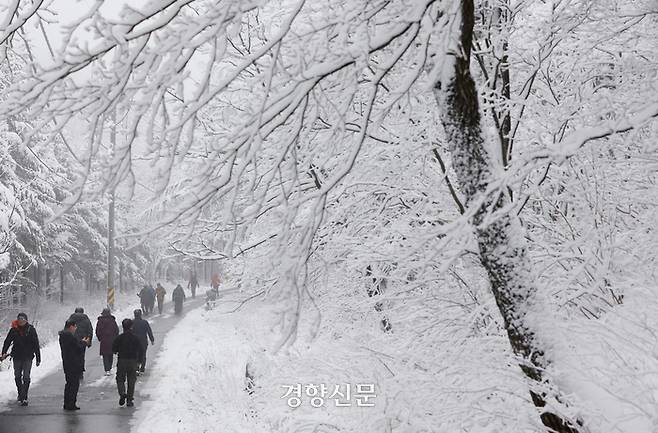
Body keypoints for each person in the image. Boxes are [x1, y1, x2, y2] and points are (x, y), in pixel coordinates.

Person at [1, 312, 41, 406]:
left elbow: (36, 344)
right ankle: (20, 393)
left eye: (23, 319)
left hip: (28, 356)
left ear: (26, 320)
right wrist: (3, 352)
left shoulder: (31, 329)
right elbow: (7, 341)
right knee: (17, 376)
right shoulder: (13, 330)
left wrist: (38, 358)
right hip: (17, 356)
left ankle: (24, 396)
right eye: (19, 319)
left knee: (26, 376)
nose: (21, 321)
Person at [59, 319, 90, 410]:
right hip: (73, 363)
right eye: (75, 326)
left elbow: (73, 346)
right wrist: (84, 342)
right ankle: (71, 403)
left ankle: (67, 402)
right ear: (71, 326)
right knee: (74, 384)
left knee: (69, 384)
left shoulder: (63, 336)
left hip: (67, 362)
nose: (76, 329)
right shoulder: (69, 336)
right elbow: (77, 348)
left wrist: (80, 342)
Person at [112, 318, 143, 407]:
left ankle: (122, 393)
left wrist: (116, 351)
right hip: (133, 361)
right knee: (131, 380)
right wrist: (139, 361)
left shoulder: (119, 338)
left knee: (120, 379)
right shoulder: (135, 338)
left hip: (122, 361)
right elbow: (141, 350)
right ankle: (129, 400)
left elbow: (114, 348)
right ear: (131, 327)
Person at [68, 307, 93, 378]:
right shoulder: (86, 319)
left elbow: (66, 331)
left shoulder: (70, 319)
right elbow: (90, 330)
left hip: (72, 341)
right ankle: (80, 372)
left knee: (73, 356)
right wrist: (89, 341)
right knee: (81, 356)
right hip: (83, 341)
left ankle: (74, 371)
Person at [95, 308, 119, 375]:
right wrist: (116, 338)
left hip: (104, 340)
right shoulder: (112, 320)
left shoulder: (100, 321)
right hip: (112, 340)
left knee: (105, 355)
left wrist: (100, 338)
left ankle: (107, 369)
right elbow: (116, 330)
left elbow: (97, 331)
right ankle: (110, 368)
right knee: (110, 354)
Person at [132, 309, 154, 374]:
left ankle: (136, 368)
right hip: (143, 341)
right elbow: (149, 331)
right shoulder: (144, 322)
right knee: (143, 355)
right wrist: (152, 339)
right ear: (140, 315)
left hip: (134, 342)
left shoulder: (131, 323)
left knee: (135, 355)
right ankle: (142, 369)